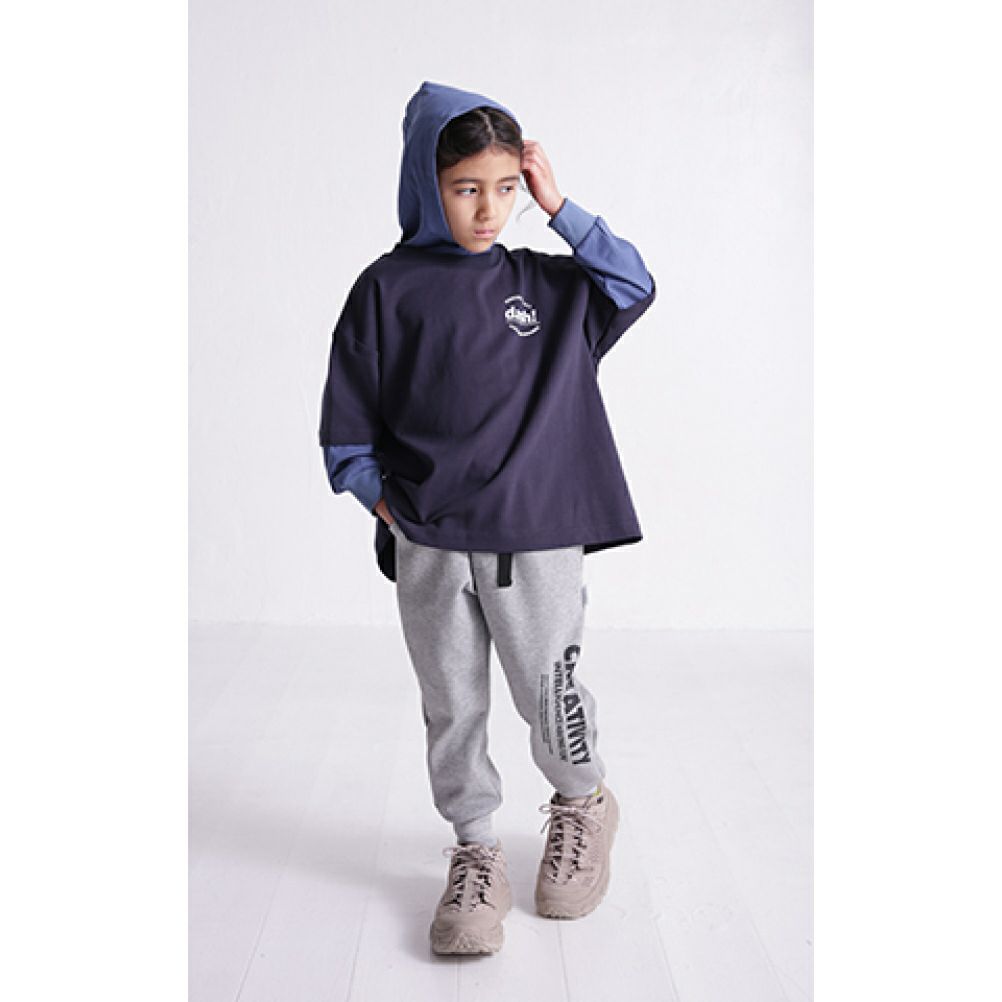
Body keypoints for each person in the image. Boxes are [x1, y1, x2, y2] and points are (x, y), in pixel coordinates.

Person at [318, 80, 656, 955]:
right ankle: (475, 851)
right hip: (430, 540)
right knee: (452, 704)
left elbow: (632, 282)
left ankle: (582, 802)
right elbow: (348, 421)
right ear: (426, 184)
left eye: (505, 188)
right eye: (467, 187)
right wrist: (382, 500)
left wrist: (561, 207)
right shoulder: (386, 289)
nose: (488, 209)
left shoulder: (545, 285)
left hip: (535, 534)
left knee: (549, 689)